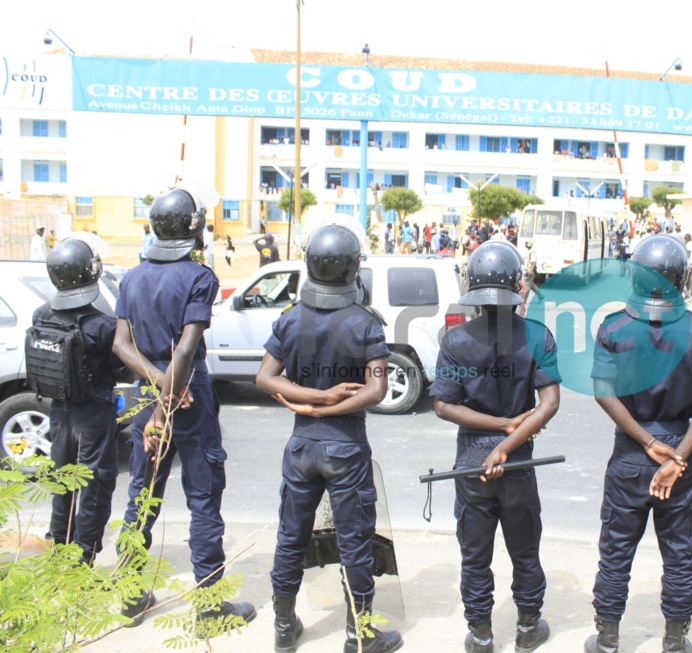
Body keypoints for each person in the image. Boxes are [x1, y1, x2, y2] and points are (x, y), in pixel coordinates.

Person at [111, 188, 255, 627]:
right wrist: (170, 392)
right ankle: (209, 605)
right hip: (188, 394)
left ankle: (131, 595)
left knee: (142, 494)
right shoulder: (199, 276)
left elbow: (120, 344)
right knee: (204, 499)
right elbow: (188, 346)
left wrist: (155, 388)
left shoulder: (132, 277)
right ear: (192, 228)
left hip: (147, 392)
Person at [255, 224, 402, 653]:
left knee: (290, 536)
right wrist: (328, 402)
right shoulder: (364, 323)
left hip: (301, 446)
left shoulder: (290, 318)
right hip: (346, 447)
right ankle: (361, 634)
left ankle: (284, 627)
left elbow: (265, 378)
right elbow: (375, 391)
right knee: (354, 541)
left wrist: (313, 405)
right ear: (353, 268)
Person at [585, 235, 692, 653]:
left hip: (631, 452)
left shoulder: (613, 328)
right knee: (680, 555)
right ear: (683, 277)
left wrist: (646, 442)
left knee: (616, 551)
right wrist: (677, 455)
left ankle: (608, 640)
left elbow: (603, 393)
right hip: (679, 452)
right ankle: (675, 641)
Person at [430, 240, 561, 653]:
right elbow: (550, 404)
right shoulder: (537, 335)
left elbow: (443, 406)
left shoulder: (455, 340)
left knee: (475, 554)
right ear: (516, 286)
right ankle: (527, 629)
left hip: (471, 461)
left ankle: (481, 634)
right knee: (525, 548)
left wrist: (496, 436)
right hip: (518, 457)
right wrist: (509, 433)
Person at [31, 239, 133, 565]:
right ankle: (82, 566)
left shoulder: (41, 316)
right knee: (94, 491)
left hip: (58, 413)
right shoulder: (103, 325)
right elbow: (124, 371)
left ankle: (58, 555)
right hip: (94, 414)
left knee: (62, 486)